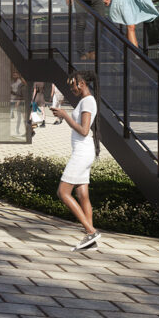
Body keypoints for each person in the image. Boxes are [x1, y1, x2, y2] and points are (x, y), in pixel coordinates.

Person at [49, 70, 101, 251]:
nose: (72, 88)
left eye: (74, 85)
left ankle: (90, 230)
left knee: (63, 192)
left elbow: (84, 130)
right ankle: (90, 240)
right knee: (82, 195)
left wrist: (65, 115)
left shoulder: (87, 101)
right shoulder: (87, 101)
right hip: (84, 152)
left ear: (83, 84)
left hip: (82, 153)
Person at [10, 70, 29, 137]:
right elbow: (19, 96)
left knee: (25, 119)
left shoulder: (27, 85)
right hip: (21, 104)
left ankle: (28, 131)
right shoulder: (21, 86)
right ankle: (24, 131)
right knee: (22, 118)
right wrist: (17, 103)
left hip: (26, 103)